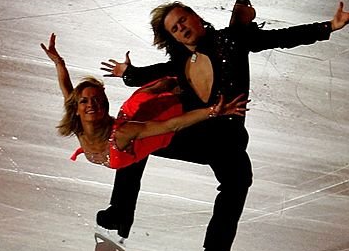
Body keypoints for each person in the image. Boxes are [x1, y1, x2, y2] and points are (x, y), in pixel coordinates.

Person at [99, 0, 349, 251]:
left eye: (184, 20)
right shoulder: (178, 61)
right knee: (137, 138)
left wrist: (329, 26)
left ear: (196, 16)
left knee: (238, 179)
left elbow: (282, 38)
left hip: (226, 138)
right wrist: (128, 73)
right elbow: (149, 73)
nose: (183, 28)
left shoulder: (232, 40)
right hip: (192, 133)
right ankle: (119, 212)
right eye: (175, 28)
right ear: (172, 36)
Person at [40, 34, 247, 195]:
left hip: (150, 116)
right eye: (84, 101)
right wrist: (59, 63)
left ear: (105, 105)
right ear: (76, 109)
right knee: (165, 87)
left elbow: (171, 125)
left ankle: (210, 53)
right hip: (140, 115)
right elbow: (68, 91)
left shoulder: (121, 133)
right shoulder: (79, 125)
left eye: (96, 100)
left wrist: (213, 111)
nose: (90, 105)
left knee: (176, 87)